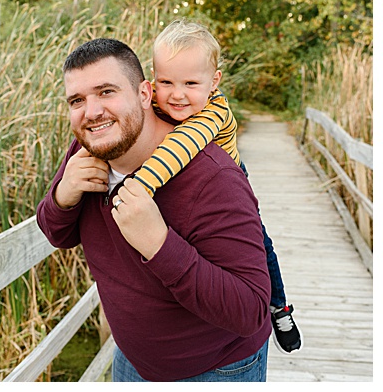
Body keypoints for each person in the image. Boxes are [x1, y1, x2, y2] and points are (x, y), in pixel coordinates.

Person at [37, 37, 271, 381]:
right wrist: (63, 195)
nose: (92, 112)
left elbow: (250, 310)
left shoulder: (213, 178)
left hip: (215, 368)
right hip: (131, 361)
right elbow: (58, 234)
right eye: (77, 100)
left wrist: (160, 245)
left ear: (145, 94)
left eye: (106, 92)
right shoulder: (87, 150)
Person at [123, 21, 301, 353]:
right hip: (186, 189)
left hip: (230, 186)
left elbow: (180, 146)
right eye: (166, 82)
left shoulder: (213, 112)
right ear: (153, 78)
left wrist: (141, 184)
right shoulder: (158, 100)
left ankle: (279, 306)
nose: (177, 94)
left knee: (261, 244)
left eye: (191, 83)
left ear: (214, 82)